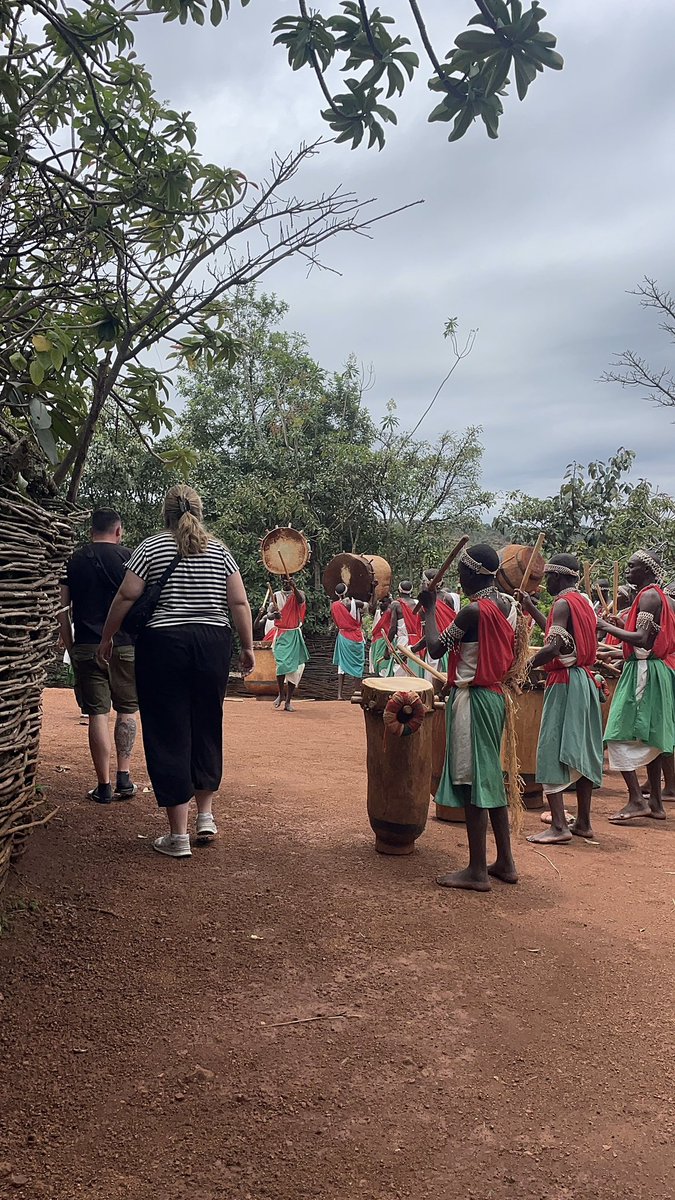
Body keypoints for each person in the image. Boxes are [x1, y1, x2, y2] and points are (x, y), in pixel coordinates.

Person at [98, 485, 254, 859]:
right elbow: (238, 601)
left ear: (164, 514)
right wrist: (248, 647)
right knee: (206, 723)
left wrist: (106, 637)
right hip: (212, 641)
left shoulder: (151, 548)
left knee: (169, 729)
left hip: (164, 643)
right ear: (200, 512)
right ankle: (205, 816)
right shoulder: (219, 550)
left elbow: (126, 596)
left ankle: (178, 836)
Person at [421, 544, 526, 892]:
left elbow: (436, 648)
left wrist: (430, 608)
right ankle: (506, 862)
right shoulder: (510, 606)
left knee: (471, 781)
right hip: (495, 697)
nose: (460, 581)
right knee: (490, 776)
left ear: (471, 574)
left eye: (462, 575)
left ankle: (477, 870)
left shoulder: (472, 612)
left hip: (473, 700)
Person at [518, 555, 604, 845]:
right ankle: (583, 822)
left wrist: (523, 667)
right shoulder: (583, 603)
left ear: (560, 577)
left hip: (565, 682)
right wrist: (531, 607)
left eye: (549, 577)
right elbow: (563, 637)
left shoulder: (562, 604)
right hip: (584, 681)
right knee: (582, 749)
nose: (546, 582)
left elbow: (553, 647)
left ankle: (558, 825)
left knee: (550, 748)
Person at [58, 508, 138, 804]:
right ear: (118, 531)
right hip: (125, 645)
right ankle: (125, 777)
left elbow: (63, 611)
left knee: (97, 713)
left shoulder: (74, 561)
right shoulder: (131, 558)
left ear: (91, 530)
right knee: (127, 709)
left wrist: (70, 646)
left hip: (88, 645)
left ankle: (103, 786)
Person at [598, 550, 675, 824]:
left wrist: (604, 624)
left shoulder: (650, 596)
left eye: (632, 567)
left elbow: (642, 640)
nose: (628, 571)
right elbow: (647, 643)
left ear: (647, 570)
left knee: (616, 734)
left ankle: (636, 799)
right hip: (649, 667)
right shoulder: (656, 596)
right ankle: (655, 802)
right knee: (650, 737)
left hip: (644, 672)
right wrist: (617, 651)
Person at [412, 568, 459, 684]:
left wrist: (413, 649)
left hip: (436, 649)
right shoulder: (448, 598)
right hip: (451, 647)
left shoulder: (426, 605)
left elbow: (430, 635)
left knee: (432, 685)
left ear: (425, 583)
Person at [271, 577, 310, 712]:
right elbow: (269, 614)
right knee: (281, 665)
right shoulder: (275, 595)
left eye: (288, 580)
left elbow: (301, 601)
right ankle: (281, 693)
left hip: (294, 635)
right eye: (283, 580)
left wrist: (295, 587)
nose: (285, 582)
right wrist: (274, 615)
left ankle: (288, 701)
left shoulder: (299, 593)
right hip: (282, 634)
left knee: (295, 670)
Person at [331, 584, 366, 699]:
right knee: (358, 664)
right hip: (356, 636)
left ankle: (339, 694)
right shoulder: (356, 603)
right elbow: (369, 606)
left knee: (342, 665)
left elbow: (335, 621)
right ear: (346, 591)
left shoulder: (334, 606)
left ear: (336, 593)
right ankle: (357, 691)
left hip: (343, 636)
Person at [387, 581, 423, 676]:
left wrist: (387, 647)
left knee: (400, 672)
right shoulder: (418, 604)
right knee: (415, 672)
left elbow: (392, 628)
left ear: (399, 590)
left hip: (402, 643)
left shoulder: (396, 604)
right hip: (418, 643)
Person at [369, 594, 393, 676]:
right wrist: (373, 590)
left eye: (384, 602)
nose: (381, 603)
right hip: (376, 642)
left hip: (386, 641)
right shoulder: (377, 613)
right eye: (380, 602)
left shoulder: (392, 613)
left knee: (384, 665)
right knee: (376, 664)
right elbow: (371, 608)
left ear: (389, 603)